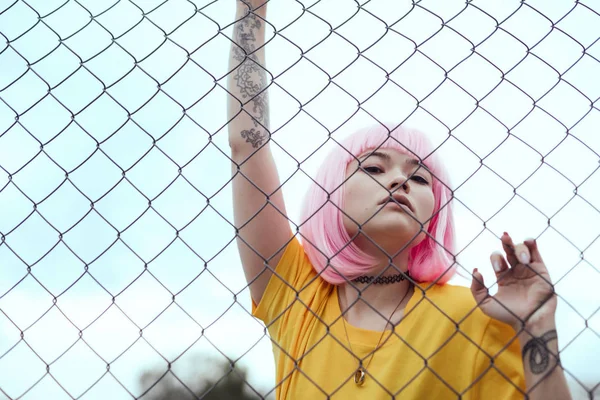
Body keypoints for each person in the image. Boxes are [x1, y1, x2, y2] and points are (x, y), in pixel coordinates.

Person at [226, 1, 573, 399]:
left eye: (420, 177)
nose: (399, 181)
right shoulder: (295, 293)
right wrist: (251, 10)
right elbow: (246, 147)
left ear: (435, 211)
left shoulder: (474, 315)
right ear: (330, 194)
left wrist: (536, 328)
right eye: (373, 168)